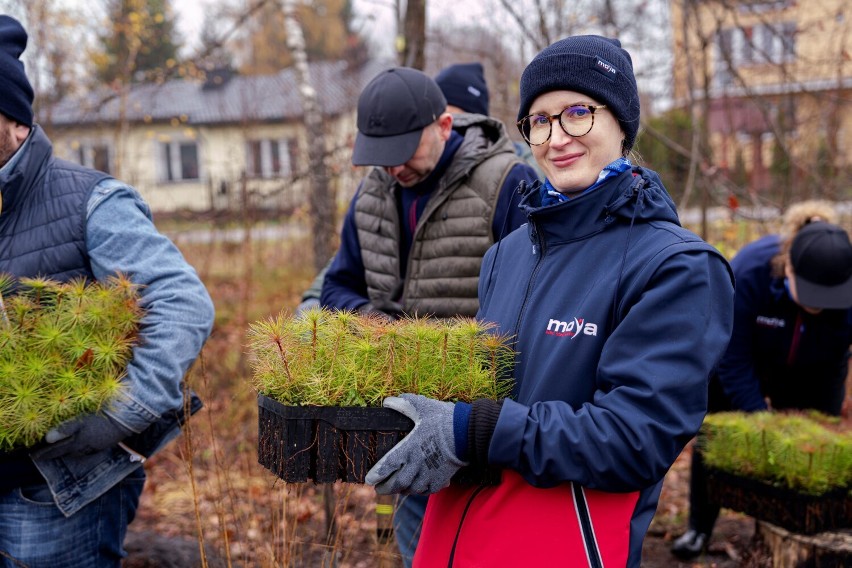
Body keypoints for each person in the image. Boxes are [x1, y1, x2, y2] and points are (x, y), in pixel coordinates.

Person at [364, 35, 736, 567]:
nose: (557, 137)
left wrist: (472, 430)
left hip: (565, 544)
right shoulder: (508, 254)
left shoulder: (676, 266)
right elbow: (490, 389)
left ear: (622, 123)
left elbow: (634, 439)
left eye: (577, 113)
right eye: (539, 121)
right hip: (459, 539)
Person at [0, 15, 214, 567]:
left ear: (15, 120)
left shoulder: (89, 201)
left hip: (54, 493)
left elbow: (181, 304)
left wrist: (120, 414)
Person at [318, 66, 538, 566]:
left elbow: (532, 301)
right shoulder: (372, 192)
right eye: (380, 154)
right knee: (422, 548)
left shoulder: (509, 182)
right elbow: (338, 285)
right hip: (401, 415)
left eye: (403, 151)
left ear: (443, 125)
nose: (392, 168)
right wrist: (373, 323)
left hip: (479, 421)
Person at [671, 200, 852, 559]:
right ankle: (700, 527)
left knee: (807, 445)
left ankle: (796, 520)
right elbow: (730, 354)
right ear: (789, 268)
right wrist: (759, 415)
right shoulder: (750, 271)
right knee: (717, 436)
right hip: (740, 364)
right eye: (812, 295)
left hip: (810, 370)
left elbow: (835, 364)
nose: (818, 306)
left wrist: (820, 423)